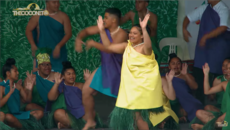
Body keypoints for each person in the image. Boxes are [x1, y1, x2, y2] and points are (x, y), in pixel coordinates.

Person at [89, 13, 163, 129]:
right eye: (130, 33)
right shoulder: (126, 46)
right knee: (136, 116)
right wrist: (102, 31)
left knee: (138, 116)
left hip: (142, 88)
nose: (131, 35)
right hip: (131, 89)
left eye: (135, 33)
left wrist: (144, 28)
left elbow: (149, 45)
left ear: (142, 36)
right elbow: (108, 47)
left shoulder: (145, 48)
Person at [75, 8, 127, 129]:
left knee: (121, 99)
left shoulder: (122, 34)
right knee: (86, 91)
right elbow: (86, 31)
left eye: (106, 17)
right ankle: (90, 121)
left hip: (118, 71)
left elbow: (109, 49)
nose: (103, 20)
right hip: (104, 68)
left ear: (114, 20)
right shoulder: (103, 28)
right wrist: (79, 39)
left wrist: (95, 41)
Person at [183, 0, 230, 104]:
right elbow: (188, 17)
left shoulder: (223, 9)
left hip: (219, 48)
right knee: (199, 73)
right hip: (204, 50)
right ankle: (199, 104)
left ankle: (220, 105)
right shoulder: (205, 8)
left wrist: (206, 37)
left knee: (218, 75)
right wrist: (184, 29)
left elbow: (223, 27)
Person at [48, 61, 102, 129]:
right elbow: (51, 98)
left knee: (91, 114)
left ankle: (66, 126)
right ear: (63, 76)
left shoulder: (81, 85)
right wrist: (56, 84)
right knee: (57, 113)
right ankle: (80, 126)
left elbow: (94, 93)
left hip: (82, 112)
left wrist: (88, 81)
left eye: (73, 74)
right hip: (69, 114)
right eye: (69, 74)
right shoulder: (62, 86)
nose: (72, 76)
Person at [25, 0, 72, 72]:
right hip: (43, 52)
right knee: (42, 75)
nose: (57, 4)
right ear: (47, 3)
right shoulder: (38, 16)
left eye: (58, 2)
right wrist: (33, 45)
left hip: (58, 54)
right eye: (54, 2)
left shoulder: (63, 16)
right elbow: (28, 30)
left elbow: (68, 34)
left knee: (59, 77)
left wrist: (59, 46)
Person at [0, 58, 44, 129]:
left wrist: (30, 88)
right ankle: (26, 126)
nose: (18, 73)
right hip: (7, 115)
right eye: (15, 71)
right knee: (9, 117)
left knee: (40, 113)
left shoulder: (18, 86)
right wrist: (9, 93)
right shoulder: (1, 86)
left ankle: (20, 126)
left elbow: (28, 100)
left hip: (18, 114)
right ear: (8, 73)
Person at [120, 0, 162, 64]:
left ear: (146, 4)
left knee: (155, 56)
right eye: (136, 2)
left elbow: (152, 33)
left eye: (140, 2)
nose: (137, 4)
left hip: (150, 43)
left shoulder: (153, 16)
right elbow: (120, 22)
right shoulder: (132, 13)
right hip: (135, 43)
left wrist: (143, 24)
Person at [190, 63, 230, 130]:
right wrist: (206, 74)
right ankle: (216, 126)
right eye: (227, 68)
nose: (228, 71)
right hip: (224, 117)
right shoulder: (225, 84)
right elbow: (207, 91)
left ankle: (204, 127)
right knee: (199, 113)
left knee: (221, 121)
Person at [167, 53, 203, 123]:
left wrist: (186, 74)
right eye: (173, 63)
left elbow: (195, 87)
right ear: (169, 66)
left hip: (189, 101)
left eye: (178, 63)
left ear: (181, 65)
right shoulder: (165, 77)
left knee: (198, 114)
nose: (176, 65)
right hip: (174, 103)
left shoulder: (185, 75)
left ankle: (222, 125)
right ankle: (220, 125)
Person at [23, 48, 56, 112]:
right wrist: (30, 90)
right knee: (29, 107)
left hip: (54, 108)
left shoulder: (56, 76)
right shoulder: (30, 79)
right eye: (43, 64)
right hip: (38, 108)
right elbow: (27, 101)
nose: (47, 67)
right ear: (38, 66)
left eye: (48, 64)